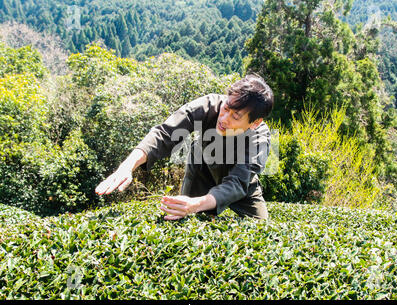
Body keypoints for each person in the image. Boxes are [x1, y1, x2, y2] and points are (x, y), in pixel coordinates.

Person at [95, 74, 274, 221]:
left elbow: (237, 182)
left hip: (241, 187)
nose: (224, 118)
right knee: (182, 219)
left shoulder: (259, 138)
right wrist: (127, 166)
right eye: (226, 108)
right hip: (202, 172)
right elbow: (164, 134)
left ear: (255, 122)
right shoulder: (208, 105)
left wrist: (196, 204)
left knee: (260, 227)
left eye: (236, 117)